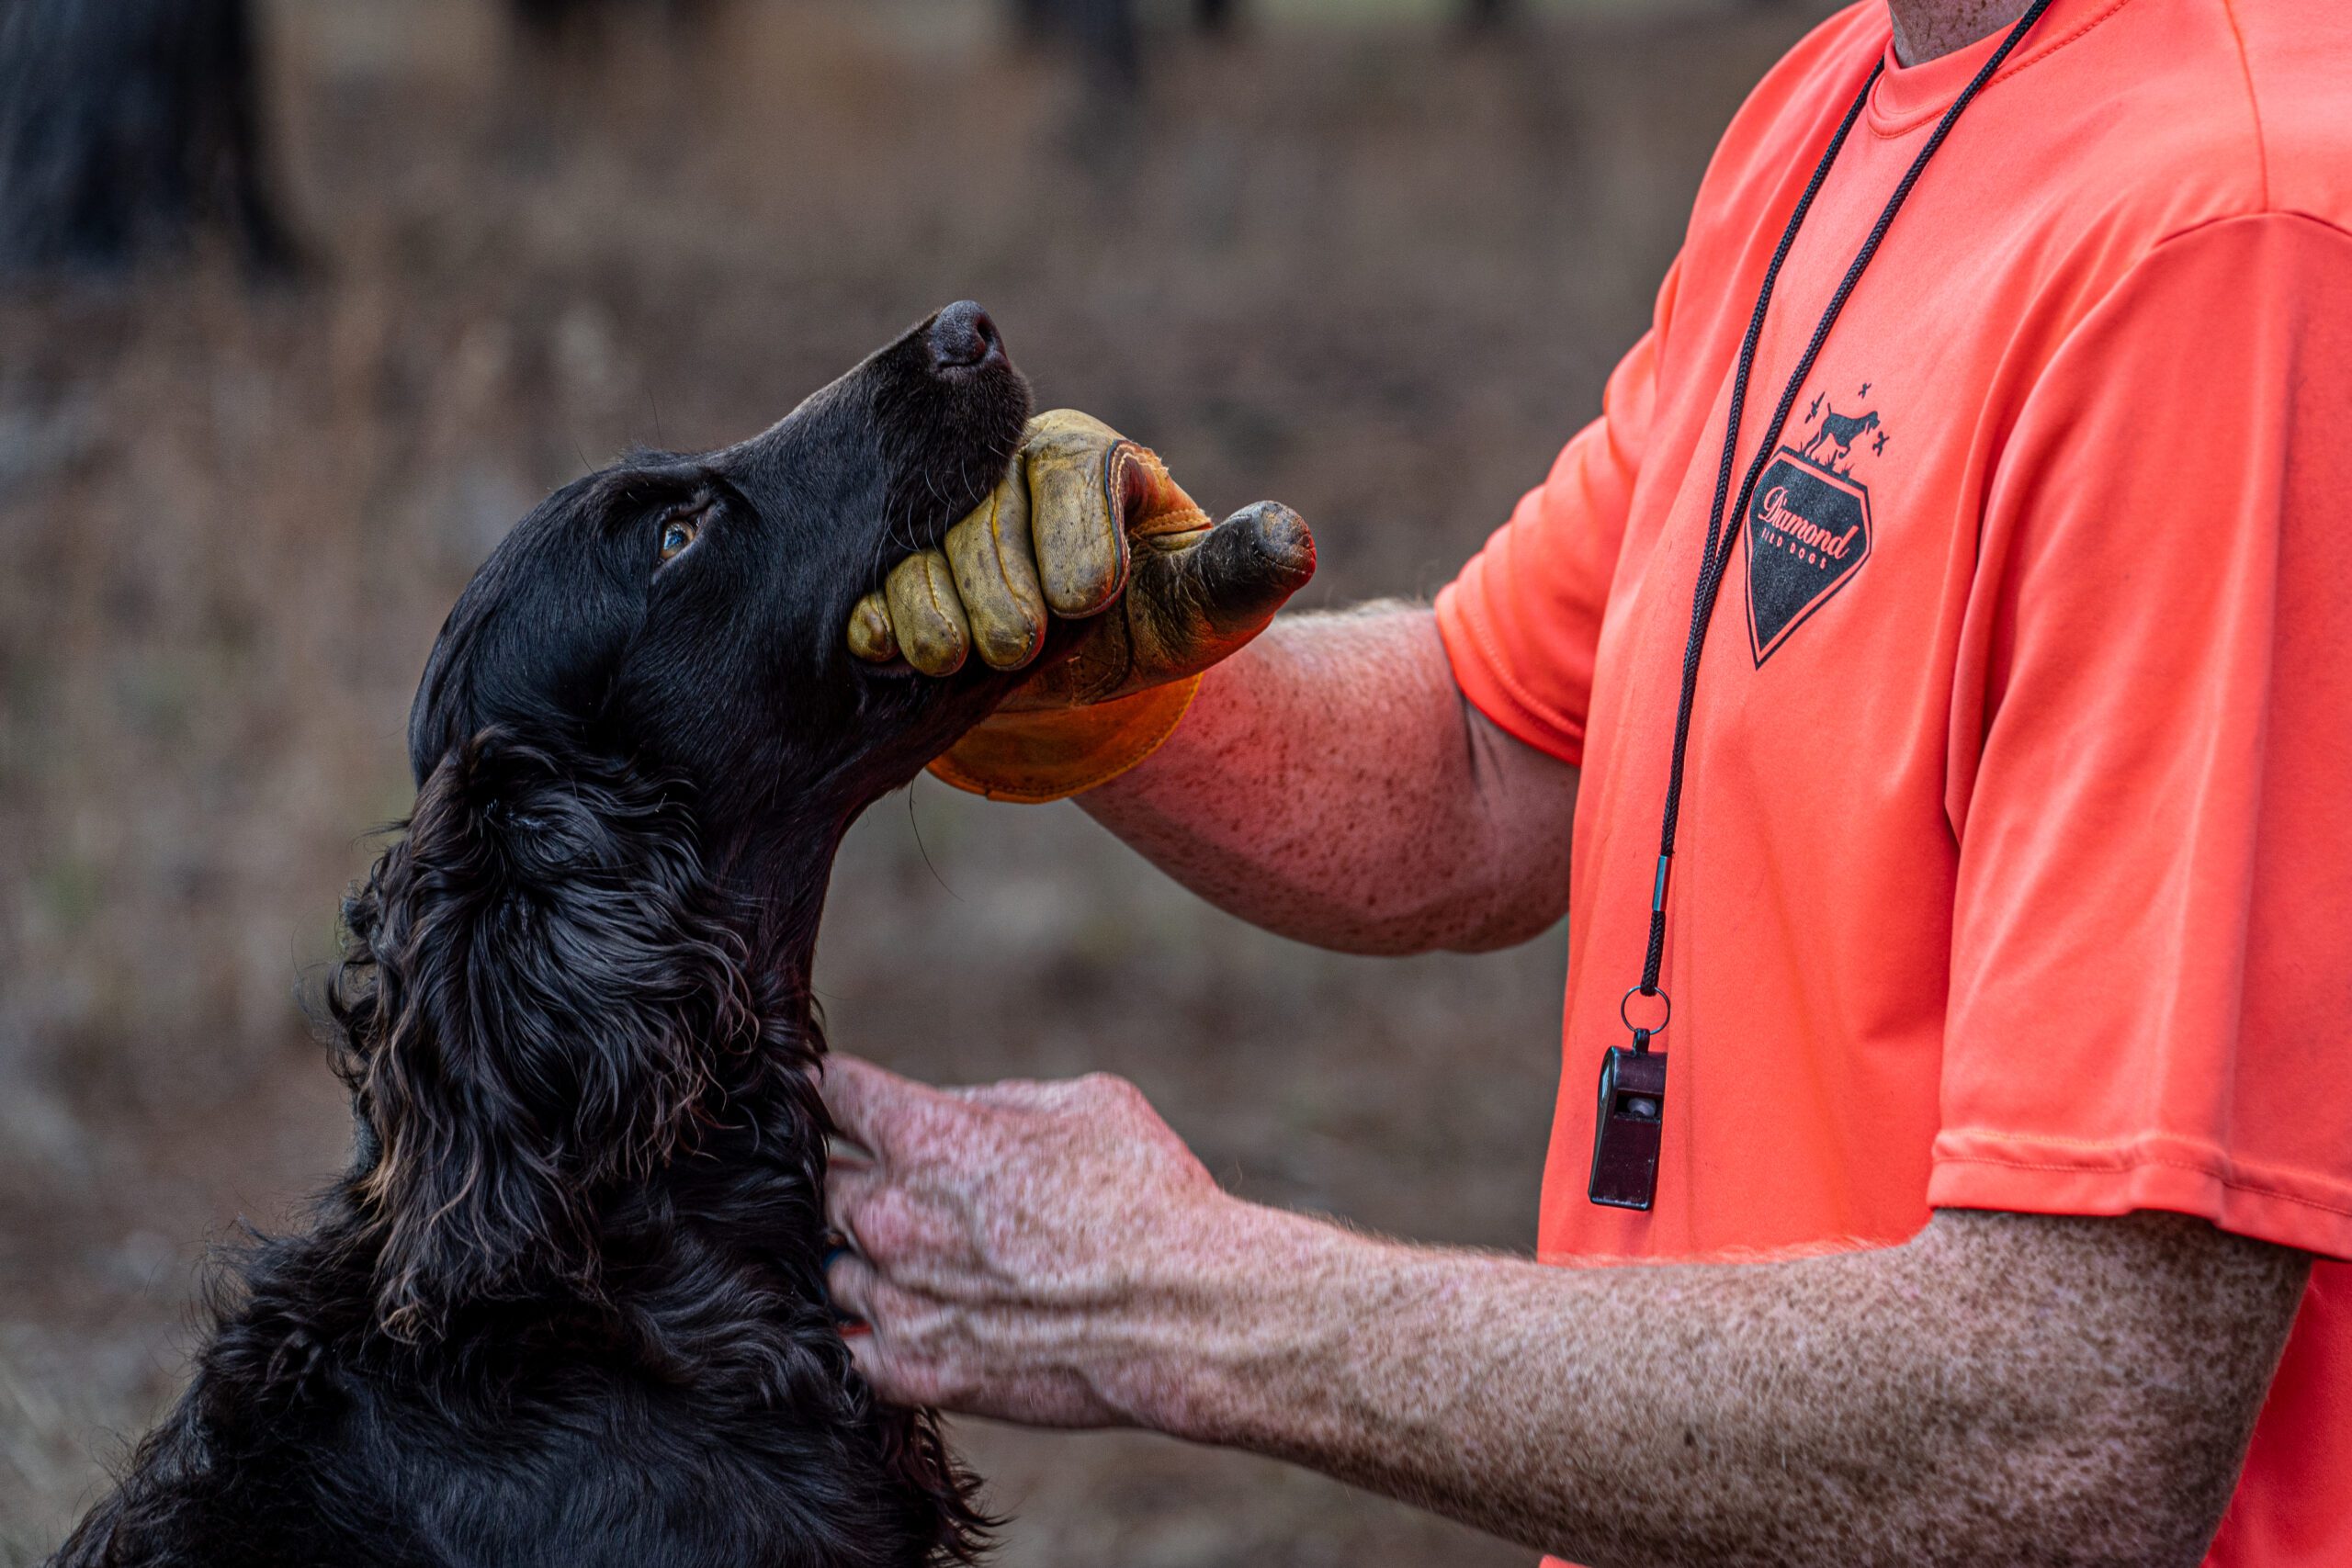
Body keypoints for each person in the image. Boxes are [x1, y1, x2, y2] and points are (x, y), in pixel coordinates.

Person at [821, 0, 2352, 1560]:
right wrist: (1084, 668)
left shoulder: (2233, 241)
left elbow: (2080, 1410)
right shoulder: (1843, 103)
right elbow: (1489, 751)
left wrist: (1193, 1303)